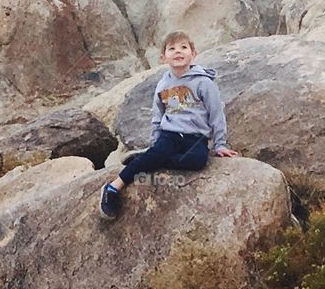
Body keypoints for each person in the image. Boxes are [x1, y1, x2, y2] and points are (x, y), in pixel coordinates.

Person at [99, 31, 239, 220]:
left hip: (196, 138)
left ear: (193, 53)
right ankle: (113, 187)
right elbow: (158, 115)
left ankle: (147, 158)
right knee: (159, 151)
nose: (178, 51)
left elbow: (216, 114)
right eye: (171, 48)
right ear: (164, 58)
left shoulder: (204, 82)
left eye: (183, 47)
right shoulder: (163, 84)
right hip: (170, 134)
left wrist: (220, 144)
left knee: (197, 162)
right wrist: (156, 141)